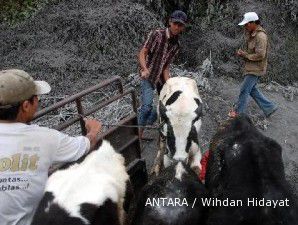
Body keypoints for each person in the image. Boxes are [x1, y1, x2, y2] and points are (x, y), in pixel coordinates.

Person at [0, 69, 102, 225]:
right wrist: (93, 130)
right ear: (26, 105)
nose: (38, 101)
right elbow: (85, 145)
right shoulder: (45, 138)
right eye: (36, 98)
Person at [138, 10, 187, 139]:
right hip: (148, 75)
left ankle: (146, 123)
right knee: (147, 106)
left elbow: (166, 66)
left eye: (180, 25)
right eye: (175, 23)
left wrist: (169, 84)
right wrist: (144, 69)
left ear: (183, 27)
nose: (177, 27)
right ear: (170, 22)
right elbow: (143, 52)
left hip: (160, 78)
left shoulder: (177, 44)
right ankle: (138, 136)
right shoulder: (157, 34)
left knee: (165, 105)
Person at [229, 12, 278, 118]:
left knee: (244, 89)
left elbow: (260, 55)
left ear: (253, 23)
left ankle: (238, 113)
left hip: (256, 69)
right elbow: (253, 52)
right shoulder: (253, 34)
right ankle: (269, 107)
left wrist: (245, 55)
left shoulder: (261, 36)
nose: (245, 27)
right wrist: (243, 54)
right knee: (252, 89)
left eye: (246, 24)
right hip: (252, 67)